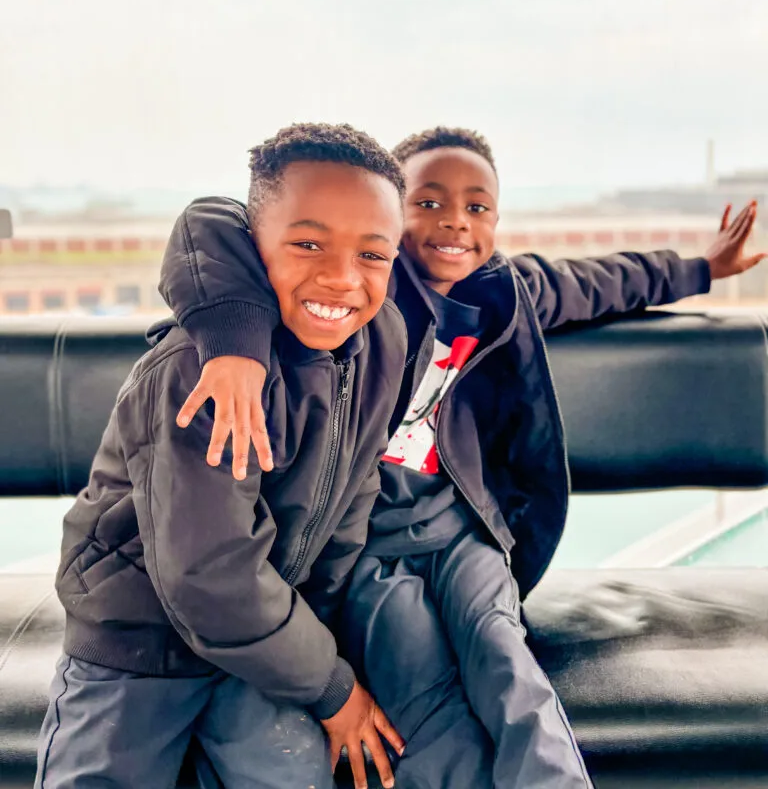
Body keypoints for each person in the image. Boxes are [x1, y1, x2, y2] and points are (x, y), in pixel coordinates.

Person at [157, 127, 766, 789]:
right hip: (365, 542)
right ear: (390, 217)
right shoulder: (366, 286)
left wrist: (704, 268)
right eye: (429, 203)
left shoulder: (505, 293)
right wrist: (234, 344)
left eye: (478, 207)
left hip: (460, 529)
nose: (455, 221)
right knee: (414, 672)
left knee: (502, 655)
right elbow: (211, 229)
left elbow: (601, 281)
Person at [35, 123, 411, 789]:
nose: (342, 277)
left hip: (264, 644)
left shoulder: (380, 341)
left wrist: (316, 648)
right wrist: (333, 690)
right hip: (138, 642)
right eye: (306, 244)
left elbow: (352, 498)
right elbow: (209, 573)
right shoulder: (205, 370)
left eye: (373, 255)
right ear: (250, 246)